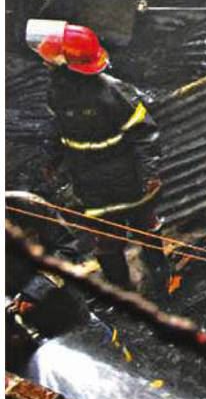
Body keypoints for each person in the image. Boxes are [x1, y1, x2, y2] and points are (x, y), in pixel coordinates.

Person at [30, 21, 163, 292]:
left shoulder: (112, 91)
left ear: (68, 63)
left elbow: (144, 132)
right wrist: (52, 159)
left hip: (128, 178)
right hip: (90, 183)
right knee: (107, 242)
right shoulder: (58, 90)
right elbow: (59, 127)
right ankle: (122, 294)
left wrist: (150, 173)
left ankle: (162, 283)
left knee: (145, 231)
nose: (45, 60)